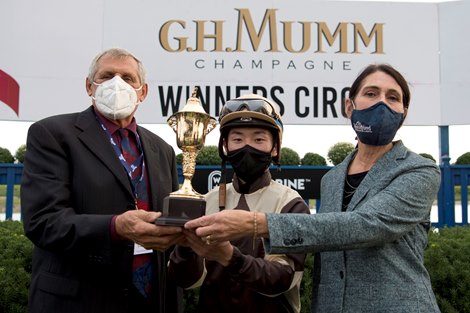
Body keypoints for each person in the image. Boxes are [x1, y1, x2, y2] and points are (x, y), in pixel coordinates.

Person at [185, 64, 442, 313]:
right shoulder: (332, 179)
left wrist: (256, 224)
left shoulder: (419, 171)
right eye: (371, 93)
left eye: (393, 97)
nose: (381, 103)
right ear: (349, 106)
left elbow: (367, 225)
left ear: (403, 112)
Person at [21, 47, 185, 313]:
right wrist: (116, 227)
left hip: (150, 298)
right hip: (79, 299)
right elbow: (43, 221)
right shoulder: (52, 134)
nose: (116, 84)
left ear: (142, 91)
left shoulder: (162, 149)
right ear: (89, 86)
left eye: (128, 78)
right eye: (106, 76)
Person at [168, 94, 310, 313]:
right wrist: (185, 247)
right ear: (225, 146)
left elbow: (282, 279)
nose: (247, 147)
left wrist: (230, 257)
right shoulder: (207, 201)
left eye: (258, 139)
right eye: (237, 139)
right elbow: (187, 281)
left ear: (275, 147)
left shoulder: (291, 204)